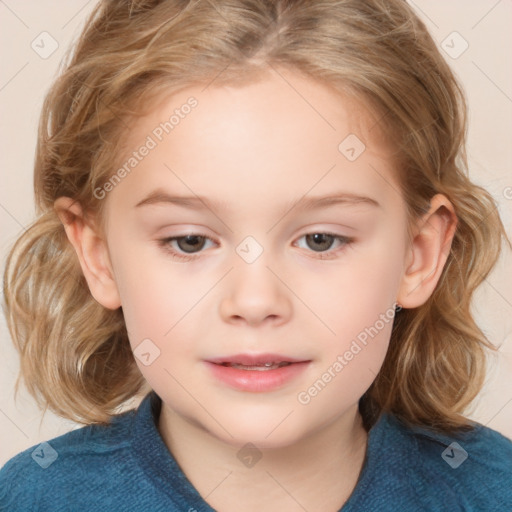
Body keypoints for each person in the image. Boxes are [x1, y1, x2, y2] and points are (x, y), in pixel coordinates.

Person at [1, 0, 511, 510]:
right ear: (99, 255)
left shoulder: (492, 491)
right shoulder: (32, 497)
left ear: (418, 254)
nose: (254, 300)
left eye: (321, 240)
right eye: (190, 241)